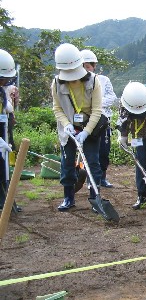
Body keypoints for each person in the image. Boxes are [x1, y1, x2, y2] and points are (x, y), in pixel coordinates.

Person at [52, 43, 106, 212]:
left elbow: (97, 110)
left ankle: (94, 197)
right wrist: (67, 125)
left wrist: (86, 132)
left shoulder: (94, 81)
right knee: (67, 164)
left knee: (92, 163)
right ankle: (68, 197)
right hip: (68, 128)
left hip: (90, 126)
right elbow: (57, 108)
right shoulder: (56, 83)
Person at [81, 49, 118, 188]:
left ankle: (102, 177)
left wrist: (96, 103)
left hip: (103, 122)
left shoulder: (103, 80)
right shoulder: (78, 82)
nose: (86, 70)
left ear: (94, 66)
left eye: (88, 67)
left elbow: (112, 97)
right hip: (87, 122)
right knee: (90, 152)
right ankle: (90, 179)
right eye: (83, 67)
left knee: (104, 151)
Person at [0, 49, 17, 210]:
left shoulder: (1, 91)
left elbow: (6, 108)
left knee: (3, 166)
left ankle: (6, 200)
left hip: (3, 130)